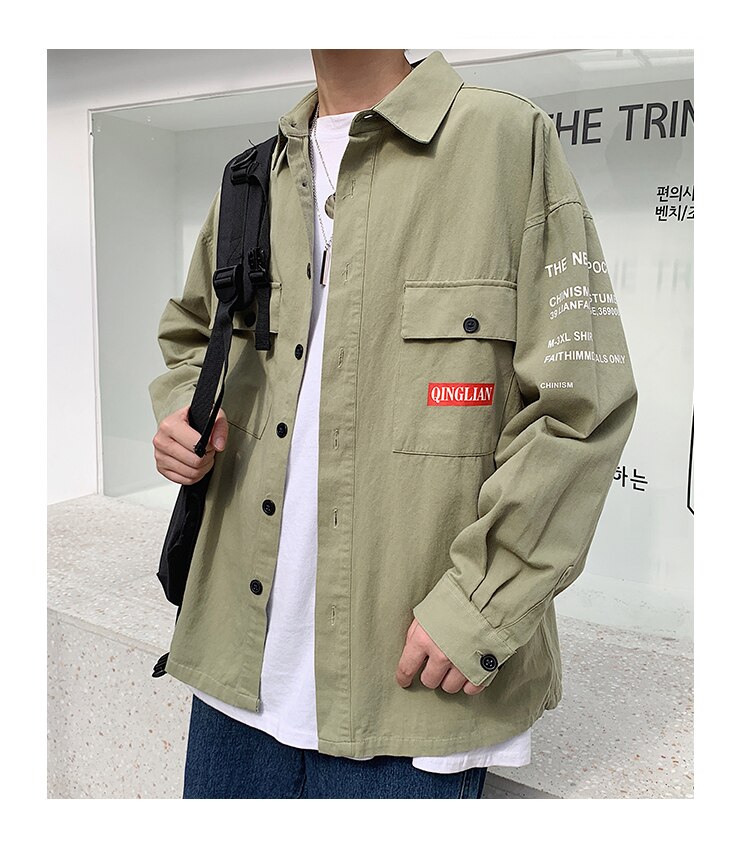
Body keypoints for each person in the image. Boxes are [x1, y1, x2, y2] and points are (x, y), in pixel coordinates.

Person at [149, 48, 638, 800]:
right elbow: (193, 335)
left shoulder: (505, 142)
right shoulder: (254, 175)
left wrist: (480, 606)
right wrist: (186, 414)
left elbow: (582, 405)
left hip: (414, 690)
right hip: (232, 670)